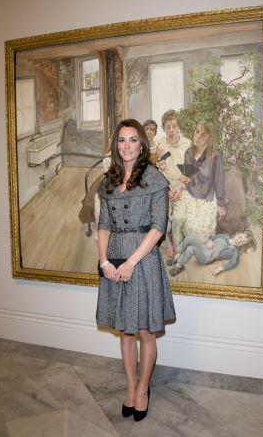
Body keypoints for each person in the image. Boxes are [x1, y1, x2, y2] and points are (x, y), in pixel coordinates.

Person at [96, 118, 176, 422]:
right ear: (116, 145)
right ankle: (130, 386)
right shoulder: (108, 181)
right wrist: (105, 262)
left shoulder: (154, 179)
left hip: (142, 262)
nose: (126, 146)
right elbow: (103, 225)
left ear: (141, 144)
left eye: (132, 140)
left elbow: (158, 227)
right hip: (113, 259)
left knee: (143, 330)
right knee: (124, 331)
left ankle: (143, 388)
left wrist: (130, 263)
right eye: (121, 140)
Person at [172, 121, 226, 244]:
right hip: (190, 196)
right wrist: (181, 182)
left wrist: (221, 204)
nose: (198, 136)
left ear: (210, 138)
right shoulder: (188, 153)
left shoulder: (215, 155)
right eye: (197, 132)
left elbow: (219, 181)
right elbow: (186, 175)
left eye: (203, 135)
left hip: (207, 199)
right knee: (188, 229)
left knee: (203, 237)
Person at [155, 109, 190, 255]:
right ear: (163, 128)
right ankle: (167, 241)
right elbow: (161, 167)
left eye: (174, 126)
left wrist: (179, 188)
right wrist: (167, 186)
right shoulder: (161, 144)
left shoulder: (187, 144)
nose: (171, 130)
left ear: (178, 127)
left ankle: (178, 243)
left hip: (182, 184)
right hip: (165, 183)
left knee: (180, 216)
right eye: (167, 127)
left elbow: (188, 171)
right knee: (162, 214)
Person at [167, 230, 256, 276]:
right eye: (240, 237)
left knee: (191, 249)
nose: (239, 241)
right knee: (189, 238)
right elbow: (213, 236)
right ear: (237, 233)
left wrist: (220, 269)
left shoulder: (234, 251)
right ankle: (176, 258)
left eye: (242, 242)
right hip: (204, 247)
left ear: (242, 245)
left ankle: (179, 266)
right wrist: (210, 240)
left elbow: (233, 263)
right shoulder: (225, 236)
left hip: (206, 257)